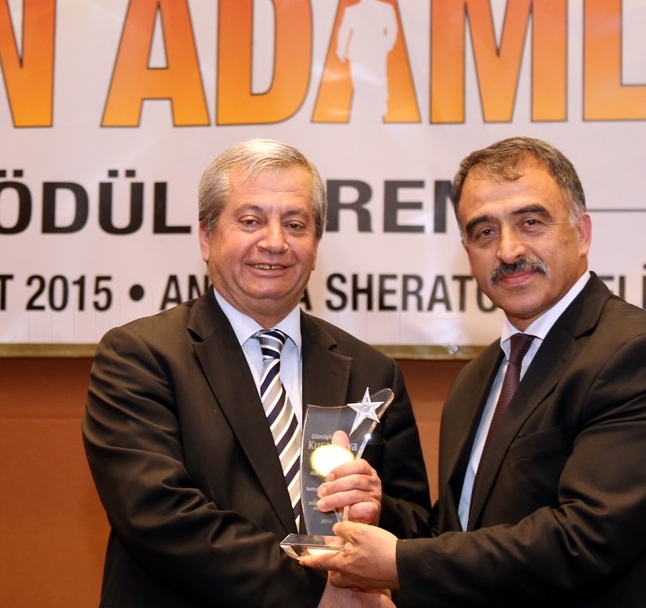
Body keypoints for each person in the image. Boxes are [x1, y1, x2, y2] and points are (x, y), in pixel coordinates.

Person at [302, 136, 646, 606]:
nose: (507, 249)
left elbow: (586, 540)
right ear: (467, 251)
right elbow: (461, 530)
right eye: (484, 231)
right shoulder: (478, 379)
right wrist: (378, 515)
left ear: (583, 233)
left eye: (531, 222)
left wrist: (400, 562)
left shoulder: (642, 356)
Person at [83, 139, 430, 607]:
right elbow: (158, 516)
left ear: (316, 244)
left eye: (295, 224)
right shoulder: (140, 356)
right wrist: (316, 595)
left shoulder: (372, 371)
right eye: (250, 221)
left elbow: (417, 531)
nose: (275, 242)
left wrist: (376, 508)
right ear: (206, 237)